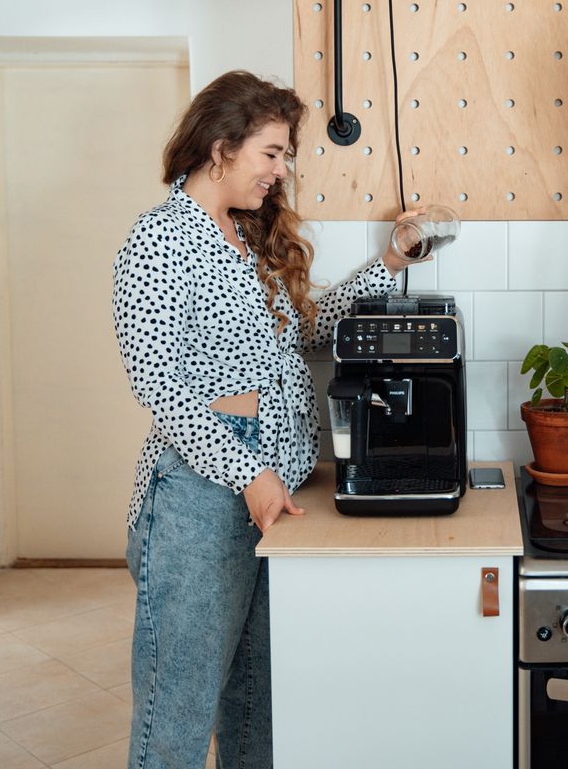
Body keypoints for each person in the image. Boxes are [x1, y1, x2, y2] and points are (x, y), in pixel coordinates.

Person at [112, 70, 418, 768]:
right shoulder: (160, 240)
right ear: (220, 147)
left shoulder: (246, 237)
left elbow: (305, 333)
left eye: (286, 155)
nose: (282, 171)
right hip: (200, 497)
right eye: (271, 153)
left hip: (274, 487)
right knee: (178, 711)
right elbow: (157, 381)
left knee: (258, 705)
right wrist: (248, 471)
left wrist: (390, 261)